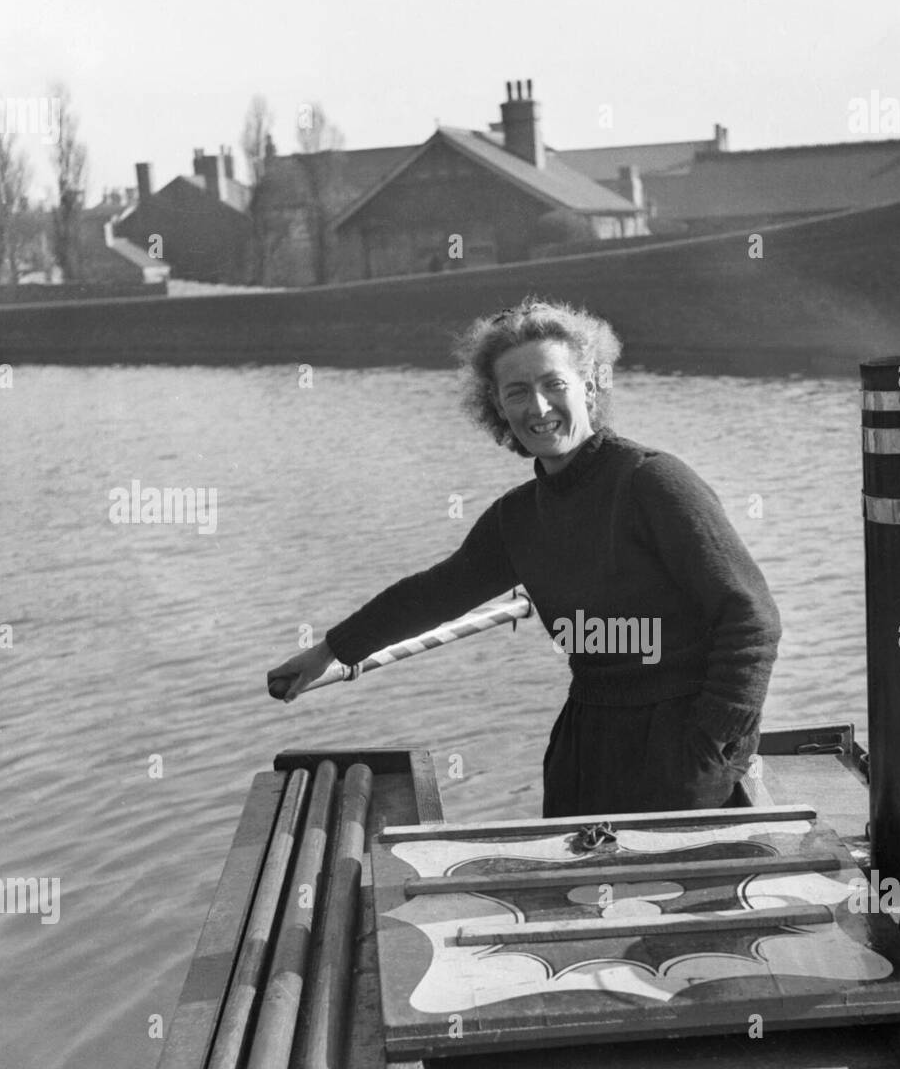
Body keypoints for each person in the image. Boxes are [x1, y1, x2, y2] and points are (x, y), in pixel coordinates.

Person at [267, 297, 782, 817]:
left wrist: (714, 742)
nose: (537, 408)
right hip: (587, 737)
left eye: (553, 384)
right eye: (518, 392)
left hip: (682, 738)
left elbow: (751, 617)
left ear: (590, 385)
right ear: (498, 406)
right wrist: (330, 650)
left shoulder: (653, 482)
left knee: (671, 891)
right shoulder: (517, 518)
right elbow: (435, 593)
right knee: (573, 895)